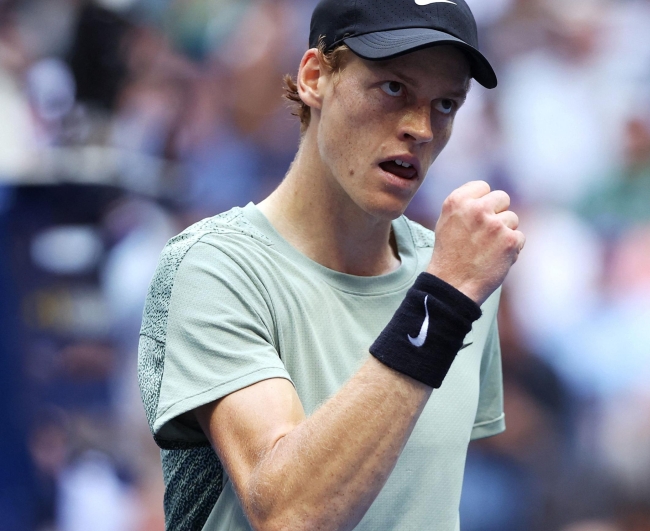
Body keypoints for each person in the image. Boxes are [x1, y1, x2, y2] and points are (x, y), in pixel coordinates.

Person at [136, 0, 524, 529]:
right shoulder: (211, 267)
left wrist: (449, 291)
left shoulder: (461, 276)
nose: (422, 128)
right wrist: (445, 299)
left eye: (446, 104)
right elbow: (291, 514)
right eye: (393, 88)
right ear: (314, 76)